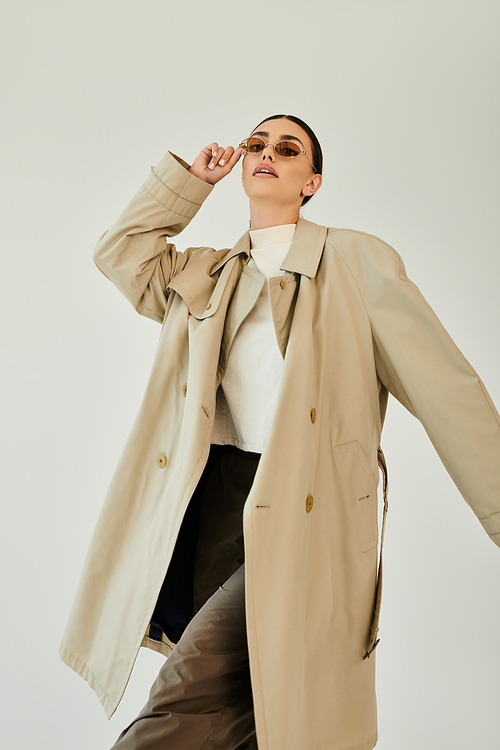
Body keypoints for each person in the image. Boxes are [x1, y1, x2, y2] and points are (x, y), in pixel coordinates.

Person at [59, 115, 500, 750]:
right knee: (248, 716)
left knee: (183, 697)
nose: (267, 154)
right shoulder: (205, 274)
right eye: (256, 146)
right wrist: (188, 185)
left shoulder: (357, 262)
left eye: (287, 149)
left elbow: (447, 391)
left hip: (304, 513)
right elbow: (119, 252)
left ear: (311, 181)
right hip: (216, 512)